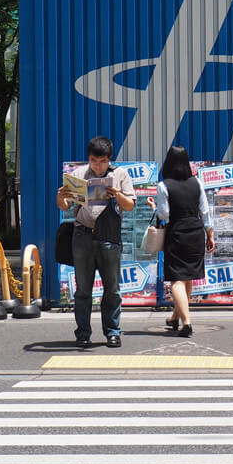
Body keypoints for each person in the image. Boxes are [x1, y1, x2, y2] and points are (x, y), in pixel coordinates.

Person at [56, 136, 136, 348]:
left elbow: (129, 206)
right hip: (82, 235)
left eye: (102, 161)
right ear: (88, 158)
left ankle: (112, 332)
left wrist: (117, 195)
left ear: (109, 159)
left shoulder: (120, 174)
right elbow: (64, 206)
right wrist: (61, 196)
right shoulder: (78, 175)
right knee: (83, 289)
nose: (98, 165)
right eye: (93, 160)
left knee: (112, 288)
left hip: (109, 236)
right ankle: (83, 333)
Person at [147, 146, 215, 338]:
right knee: (187, 278)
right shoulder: (197, 183)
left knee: (176, 279)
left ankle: (187, 323)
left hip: (176, 233)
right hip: (196, 232)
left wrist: (153, 207)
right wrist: (209, 234)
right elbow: (205, 211)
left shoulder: (164, 186)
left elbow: (164, 215)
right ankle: (174, 317)